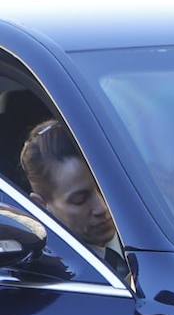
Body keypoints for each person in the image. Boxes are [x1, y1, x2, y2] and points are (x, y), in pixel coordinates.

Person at [20, 119, 126, 279]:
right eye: (80, 200)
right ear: (41, 207)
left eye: (106, 191)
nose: (102, 208)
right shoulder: (49, 278)